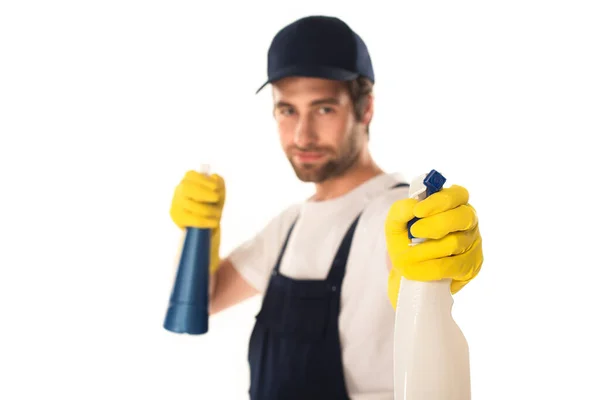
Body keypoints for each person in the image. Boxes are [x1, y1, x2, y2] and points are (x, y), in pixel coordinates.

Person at [169, 15, 483, 400]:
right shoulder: (289, 225)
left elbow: (407, 257)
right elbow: (204, 302)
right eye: (288, 110)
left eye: (323, 109)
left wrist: (425, 280)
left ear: (365, 108)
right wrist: (198, 232)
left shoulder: (396, 213)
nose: (303, 135)